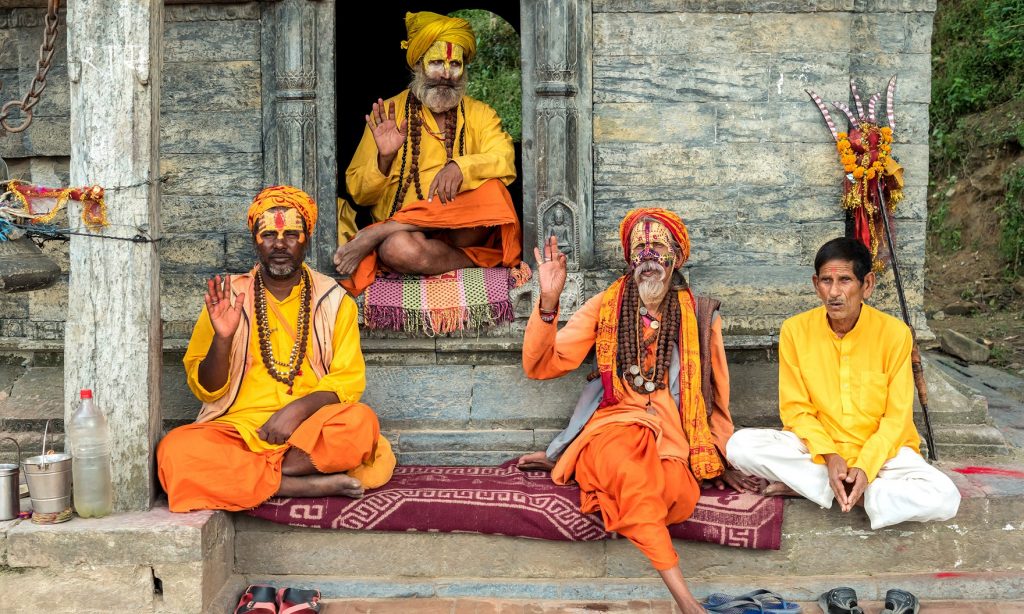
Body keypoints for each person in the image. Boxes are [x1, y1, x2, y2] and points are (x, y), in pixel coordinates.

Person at [519, 208, 759, 614]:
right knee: (634, 482)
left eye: (657, 247)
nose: (648, 256)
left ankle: (602, 486)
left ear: (676, 258)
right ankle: (686, 601)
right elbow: (542, 364)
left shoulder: (700, 316)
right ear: (630, 259)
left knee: (672, 494)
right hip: (611, 429)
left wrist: (722, 455)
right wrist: (547, 302)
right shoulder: (607, 305)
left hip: (675, 443)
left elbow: (716, 397)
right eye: (639, 248)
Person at [157, 185, 396, 512]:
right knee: (175, 450)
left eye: (292, 234)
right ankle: (295, 485)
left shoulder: (334, 300)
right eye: (269, 234)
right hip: (240, 431)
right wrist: (223, 338)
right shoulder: (228, 298)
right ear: (255, 239)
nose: (280, 244)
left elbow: (347, 380)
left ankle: (251, 477)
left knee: (359, 424)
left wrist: (296, 411)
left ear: (307, 239)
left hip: (307, 432)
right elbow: (208, 391)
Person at [727, 237, 961, 530]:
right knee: (739, 446)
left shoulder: (895, 334)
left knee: (946, 497)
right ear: (816, 284)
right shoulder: (795, 330)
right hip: (820, 452)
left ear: (868, 284)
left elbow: (896, 418)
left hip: (882, 455)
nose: (834, 292)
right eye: (826, 280)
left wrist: (865, 466)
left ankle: (840, 492)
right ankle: (838, 487)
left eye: (845, 280)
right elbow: (796, 410)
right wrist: (830, 454)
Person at [335, 10, 521, 296]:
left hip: (461, 230)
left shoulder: (480, 114)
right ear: (418, 66)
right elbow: (358, 193)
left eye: (454, 64)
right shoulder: (389, 114)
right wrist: (384, 159)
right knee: (396, 249)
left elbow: (504, 159)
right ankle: (475, 260)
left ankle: (381, 233)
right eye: (436, 63)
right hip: (405, 235)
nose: (446, 75)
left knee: (494, 192)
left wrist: (460, 166)